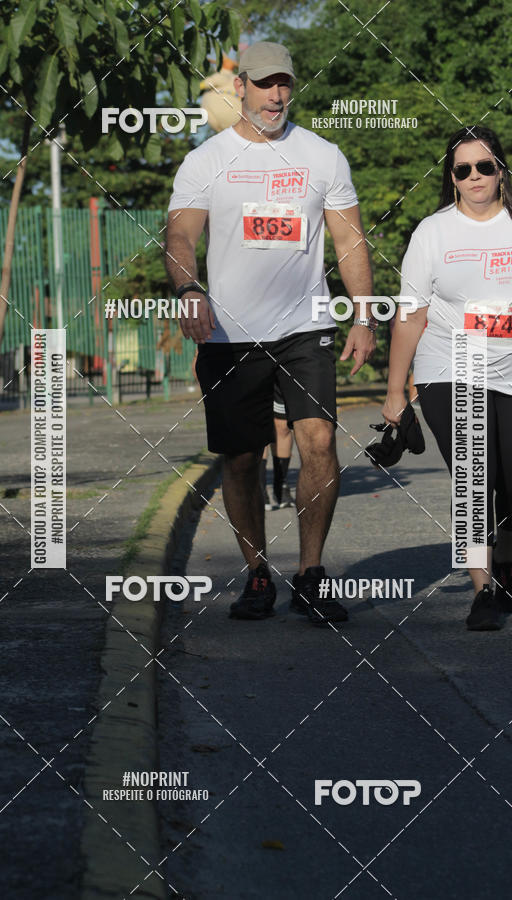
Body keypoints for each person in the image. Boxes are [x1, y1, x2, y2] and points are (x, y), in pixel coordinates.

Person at [166, 41, 376, 625]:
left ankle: (310, 573)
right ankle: (257, 574)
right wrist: (188, 290)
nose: (276, 95)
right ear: (242, 89)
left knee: (319, 442)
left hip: (305, 325)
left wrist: (363, 314)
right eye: (264, 84)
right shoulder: (206, 160)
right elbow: (180, 238)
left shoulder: (323, 156)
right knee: (239, 459)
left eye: (284, 83)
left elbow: (349, 240)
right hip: (229, 333)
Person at [383, 124, 512, 631]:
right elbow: (411, 315)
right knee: (474, 478)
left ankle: (505, 557)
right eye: (464, 169)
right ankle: (483, 589)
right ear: (452, 178)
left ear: (501, 169)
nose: (475, 175)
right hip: (451, 362)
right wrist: (397, 391)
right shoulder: (432, 233)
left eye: (485, 165)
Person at [261, 385, 295, 510]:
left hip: (281, 368)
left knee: (283, 425)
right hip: (253, 367)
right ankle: (260, 486)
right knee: (260, 421)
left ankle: (281, 486)